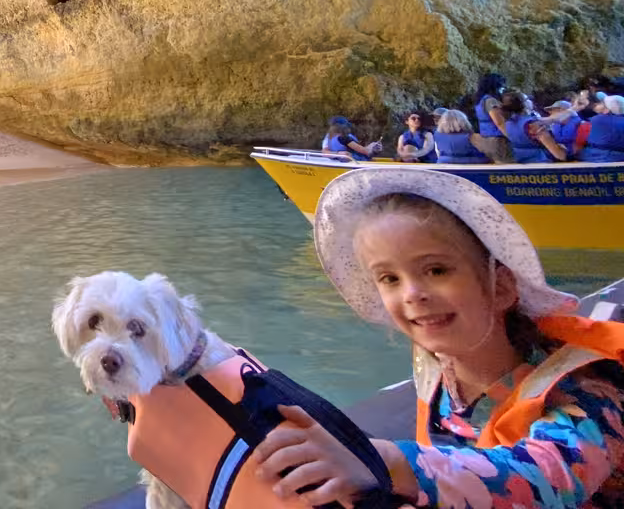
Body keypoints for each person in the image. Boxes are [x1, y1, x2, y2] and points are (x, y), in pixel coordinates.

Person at [252, 167, 624, 507]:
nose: (412, 294)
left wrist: (388, 461)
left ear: (502, 288)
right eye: (389, 279)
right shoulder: (435, 365)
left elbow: (545, 478)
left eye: (436, 270)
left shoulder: (589, 391)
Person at [499, 90, 566, 162]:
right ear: (524, 104)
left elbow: (551, 119)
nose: (530, 101)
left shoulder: (508, 123)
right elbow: (559, 155)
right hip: (541, 165)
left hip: (521, 165)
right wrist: (563, 149)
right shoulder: (534, 125)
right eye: (527, 99)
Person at [473, 72, 513, 162]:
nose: (503, 89)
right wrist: (512, 137)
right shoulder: (491, 101)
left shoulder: (480, 100)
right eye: (502, 86)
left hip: (486, 138)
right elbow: (499, 123)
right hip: (497, 140)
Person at [579, 94, 624, 163]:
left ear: (607, 108)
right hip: (619, 158)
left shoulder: (594, 120)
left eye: (603, 104)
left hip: (591, 157)